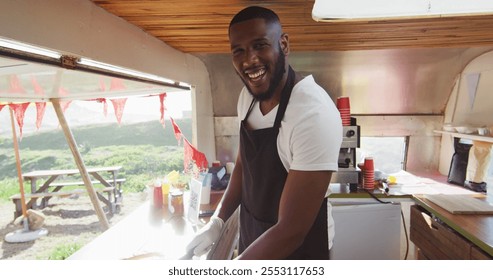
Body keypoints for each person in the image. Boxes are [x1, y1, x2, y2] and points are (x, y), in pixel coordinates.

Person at [186, 6, 342, 260]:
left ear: (284, 45)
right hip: (253, 239)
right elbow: (243, 165)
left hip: (299, 250)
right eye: (239, 51)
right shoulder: (247, 98)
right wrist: (218, 220)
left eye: (260, 45)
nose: (250, 60)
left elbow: (292, 230)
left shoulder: (313, 114)